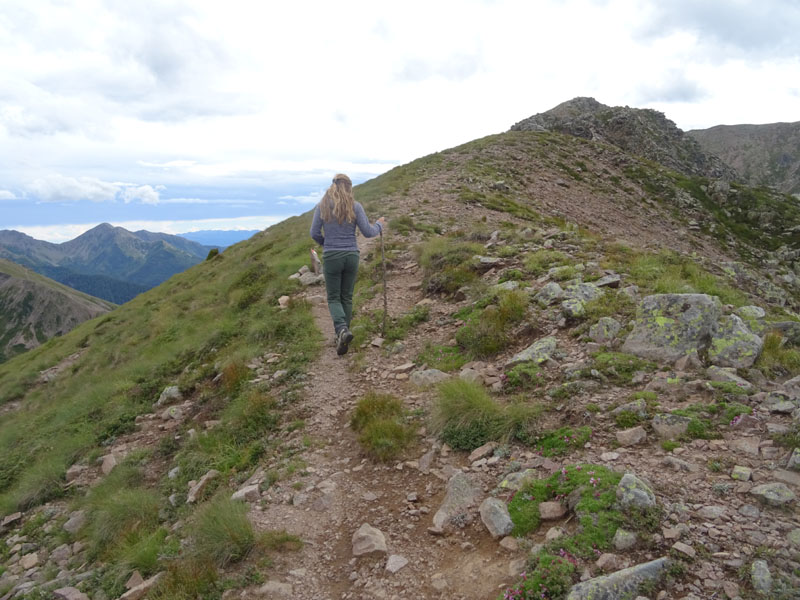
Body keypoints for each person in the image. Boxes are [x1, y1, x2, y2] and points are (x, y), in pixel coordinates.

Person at [310, 174, 386, 355]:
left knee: (334, 297)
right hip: (352, 255)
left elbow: (314, 232)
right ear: (349, 187)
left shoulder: (322, 206)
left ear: (333, 186)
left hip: (332, 256)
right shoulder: (355, 206)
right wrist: (380, 225)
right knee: (347, 297)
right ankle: (344, 333)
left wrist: (325, 243)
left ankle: (342, 331)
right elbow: (368, 232)